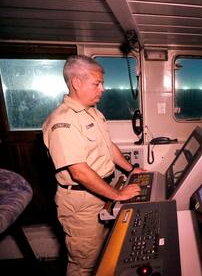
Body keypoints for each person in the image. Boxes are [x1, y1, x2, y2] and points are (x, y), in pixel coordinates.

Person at [42, 55, 142, 276]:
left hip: (101, 193)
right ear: (77, 83)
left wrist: (131, 170)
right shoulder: (63, 122)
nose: (103, 89)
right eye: (97, 83)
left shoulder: (92, 112)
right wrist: (117, 195)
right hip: (82, 205)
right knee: (84, 266)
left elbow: (108, 146)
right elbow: (79, 172)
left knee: (105, 256)